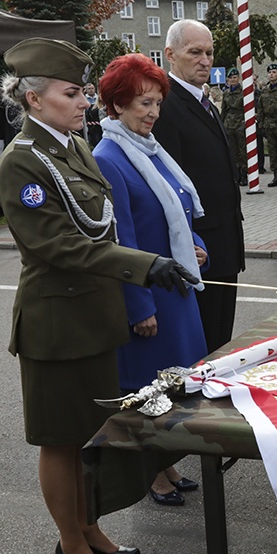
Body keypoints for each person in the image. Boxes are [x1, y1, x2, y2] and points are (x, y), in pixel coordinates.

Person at [0, 37, 199, 554]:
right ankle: (70, 544)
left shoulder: (72, 147)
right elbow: (59, 245)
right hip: (57, 327)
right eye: (71, 92)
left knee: (93, 435)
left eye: (83, 91)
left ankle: (89, 528)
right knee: (62, 441)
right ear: (34, 99)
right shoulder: (22, 162)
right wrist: (144, 265)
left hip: (95, 319)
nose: (84, 101)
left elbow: (104, 221)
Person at [93, 53, 209, 505]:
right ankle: (152, 476)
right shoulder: (110, 157)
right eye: (143, 103)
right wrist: (139, 307)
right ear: (117, 105)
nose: (153, 113)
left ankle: (166, 463)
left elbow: (174, 209)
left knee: (172, 390)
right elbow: (123, 237)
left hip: (175, 287)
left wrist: (199, 244)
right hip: (151, 298)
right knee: (149, 394)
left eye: (158, 102)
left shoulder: (148, 149)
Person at [154, 19, 246, 354]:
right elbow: (168, 184)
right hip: (200, 248)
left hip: (225, 242)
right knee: (204, 347)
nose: (205, 60)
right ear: (170, 54)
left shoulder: (203, 100)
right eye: (195, 52)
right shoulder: (165, 106)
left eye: (209, 52)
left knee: (222, 341)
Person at [220, 67, 248, 186]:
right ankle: (235, 174)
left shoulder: (244, 92)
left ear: (239, 78)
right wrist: (221, 124)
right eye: (230, 78)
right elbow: (224, 110)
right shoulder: (226, 93)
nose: (232, 80)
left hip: (240, 122)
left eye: (235, 78)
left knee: (242, 150)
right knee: (232, 151)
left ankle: (244, 174)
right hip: (229, 124)